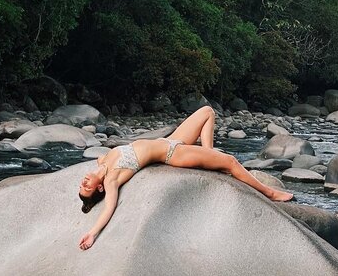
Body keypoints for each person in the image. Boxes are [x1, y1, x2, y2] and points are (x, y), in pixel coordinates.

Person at [77, 105, 293, 250]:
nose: (83, 183)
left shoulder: (103, 161)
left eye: (81, 185)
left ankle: (209, 154)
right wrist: (93, 233)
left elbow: (98, 167)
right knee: (230, 162)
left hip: (171, 139)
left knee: (207, 111)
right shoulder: (111, 180)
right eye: (87, 188)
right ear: (100, 189)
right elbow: (109, 208)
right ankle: (270, 192)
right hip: (173, 154)